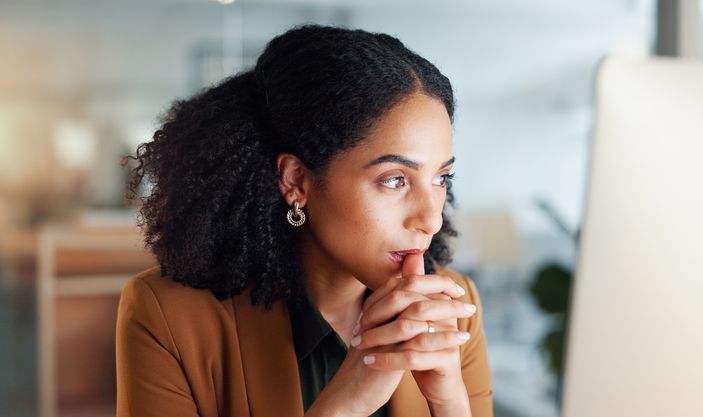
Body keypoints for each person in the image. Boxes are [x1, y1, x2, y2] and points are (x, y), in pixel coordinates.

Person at [116, 24, 493, 417]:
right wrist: (343, 406)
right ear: (296, 181)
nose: (431, 219)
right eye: (394, 180)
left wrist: (449, 403)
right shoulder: (167, 317)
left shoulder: (454, 311)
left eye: (440, 178)